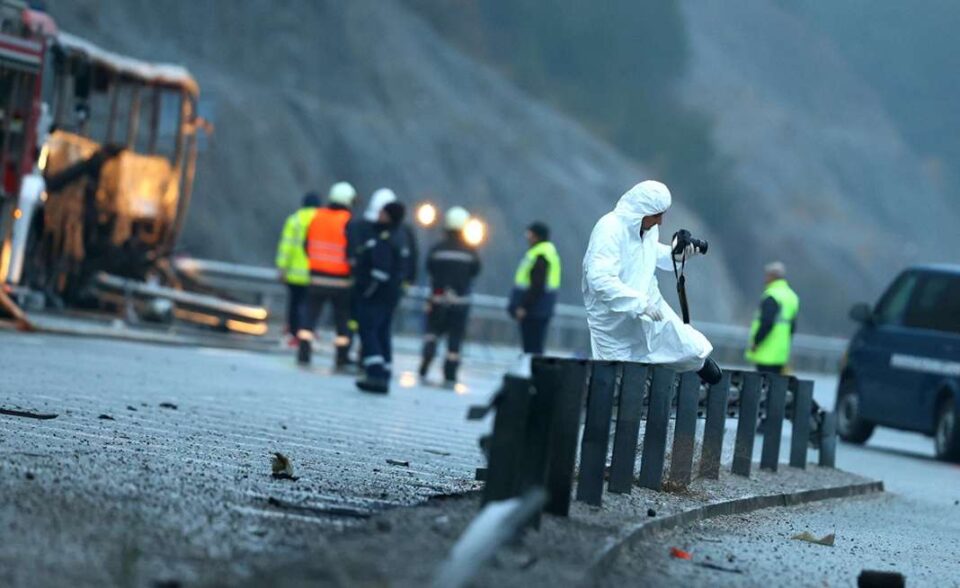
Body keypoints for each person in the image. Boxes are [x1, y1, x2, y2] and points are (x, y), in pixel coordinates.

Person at [581, 180, 722, 383]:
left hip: (650, 305)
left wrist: (676, 255)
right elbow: (599, 280)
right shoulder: (610, 229)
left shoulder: (646, 229)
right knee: (618, 380)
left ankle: (700, 367)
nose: (660, 222)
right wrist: (639, 303)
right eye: (656, 216)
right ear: (641, 211)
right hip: (613, 321)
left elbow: (650, 253)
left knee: (688, 347)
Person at [297, 182, 357, 369]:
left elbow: (306, 245)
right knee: (341, 322)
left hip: (316, 277)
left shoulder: (317, 217)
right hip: (341, 281)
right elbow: (353, 251)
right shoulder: (348, 221)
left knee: (309, 318)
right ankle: (341, 357)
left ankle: (304, 352)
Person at [419, 206, 482, 385]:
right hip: (460, 302)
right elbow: (475, 271)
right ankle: (450, 373)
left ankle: (425, 362)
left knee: (432, 333)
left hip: (437, 300)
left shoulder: (437, 249)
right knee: (455, 339)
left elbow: (429, 268)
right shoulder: (470, 252)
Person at [354, 199, 410, 393]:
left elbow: (380, 271)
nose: (378, 217)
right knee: (383, 333)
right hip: (390, 295)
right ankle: (384, 372)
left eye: (382, 214)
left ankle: (375, 372)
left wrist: (366, 291)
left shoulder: (385, 238)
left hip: (377, 296)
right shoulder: (400, 236)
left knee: (369, 331)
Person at [508, 221, 561, 355]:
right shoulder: (548, 253)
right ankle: (533, 372)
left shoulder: (540, 255)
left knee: (531, 348)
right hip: (541, 309)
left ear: (537, 236)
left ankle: (532, 373)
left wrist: (523, 307)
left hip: (534, 311)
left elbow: (537, 286)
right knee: (535, 347)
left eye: (530, 234)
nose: (527, 237)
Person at [275, 192, 320, 346]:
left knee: (294, 304)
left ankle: (293, 334)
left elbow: (285, 246)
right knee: (310, 306)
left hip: (294, 273)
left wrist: (282, 267)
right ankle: (307, 332)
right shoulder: (320, 220)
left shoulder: (294, 220)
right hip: (315, 273)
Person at [745, 261, 799, 375]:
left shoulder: (772, 295)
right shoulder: (791, 296)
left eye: (767, 275)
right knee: (775, 388)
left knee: (762, 386)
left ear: (772, 276)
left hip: (766, 352)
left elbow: (767, 322)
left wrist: (756, 341)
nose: (765, 278)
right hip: (781, 353)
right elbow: (793, 327)